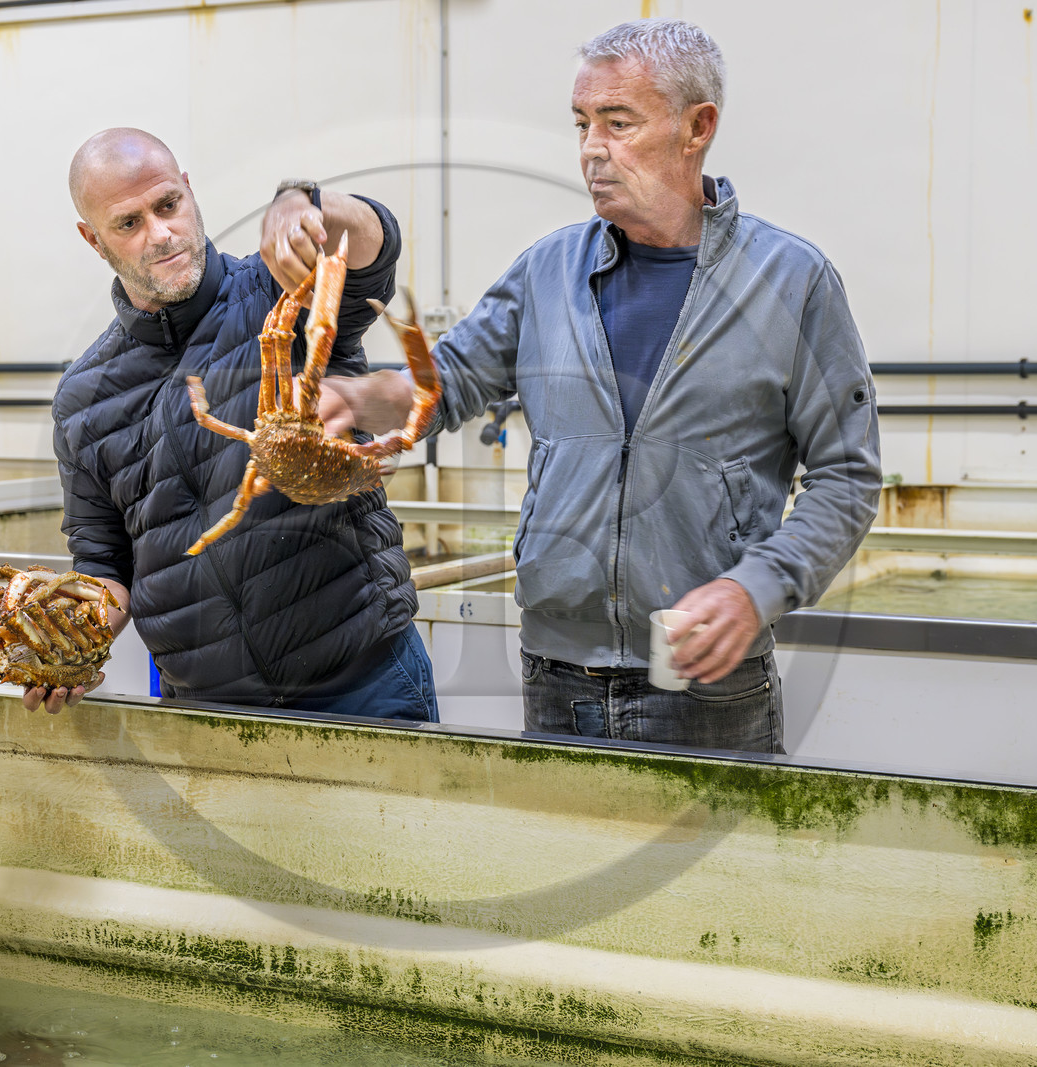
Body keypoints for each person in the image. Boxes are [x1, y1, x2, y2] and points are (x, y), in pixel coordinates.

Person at [321, 20, 880, 753]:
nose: (591, 149)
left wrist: (758, 587)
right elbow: (445, 383)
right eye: (583, 123)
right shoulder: (546, 271)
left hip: (708, 683)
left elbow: (847, 476)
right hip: (558, 678)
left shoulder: (792, 282)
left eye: (619, 124)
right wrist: (363, 399)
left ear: (697, 128)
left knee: (717, 872)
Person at [28, 127, 436, 721]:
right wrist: (71, 639)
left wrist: (307, 205)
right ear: (94, 240)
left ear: (189, 192)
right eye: (129, 223)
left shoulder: (276, 292)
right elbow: (103, 563)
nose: (160, 233)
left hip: (363, 679)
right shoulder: (82, 400)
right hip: (204, 708)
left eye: (168, 205)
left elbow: (374, 247)